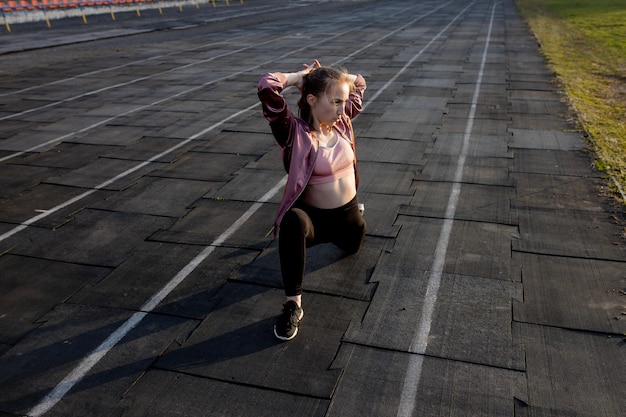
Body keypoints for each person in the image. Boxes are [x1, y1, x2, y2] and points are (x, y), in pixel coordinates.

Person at [257, 60, 367, 341]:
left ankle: (358, 216)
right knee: (293, 221)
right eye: (335, 101)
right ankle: (293, 304)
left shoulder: (342, 121)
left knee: (353, 247)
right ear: (311, 100)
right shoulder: (293, 133)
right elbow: (267, 86)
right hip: (314, 220)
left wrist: (334, 76)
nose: (344, 108)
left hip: (349, 218)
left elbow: (360, 82)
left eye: (344, 101)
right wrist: (298, 77)